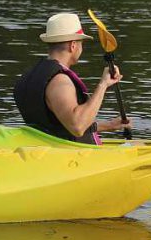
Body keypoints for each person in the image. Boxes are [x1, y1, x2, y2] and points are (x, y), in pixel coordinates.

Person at [13, 12, 131, 144]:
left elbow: (59, 126)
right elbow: (77, 127)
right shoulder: (60, 81)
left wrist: (109, 125)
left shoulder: (28, 76)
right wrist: (103, 85)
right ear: (73, 45)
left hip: (47, 150)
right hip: (74, 158)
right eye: (81, 44)